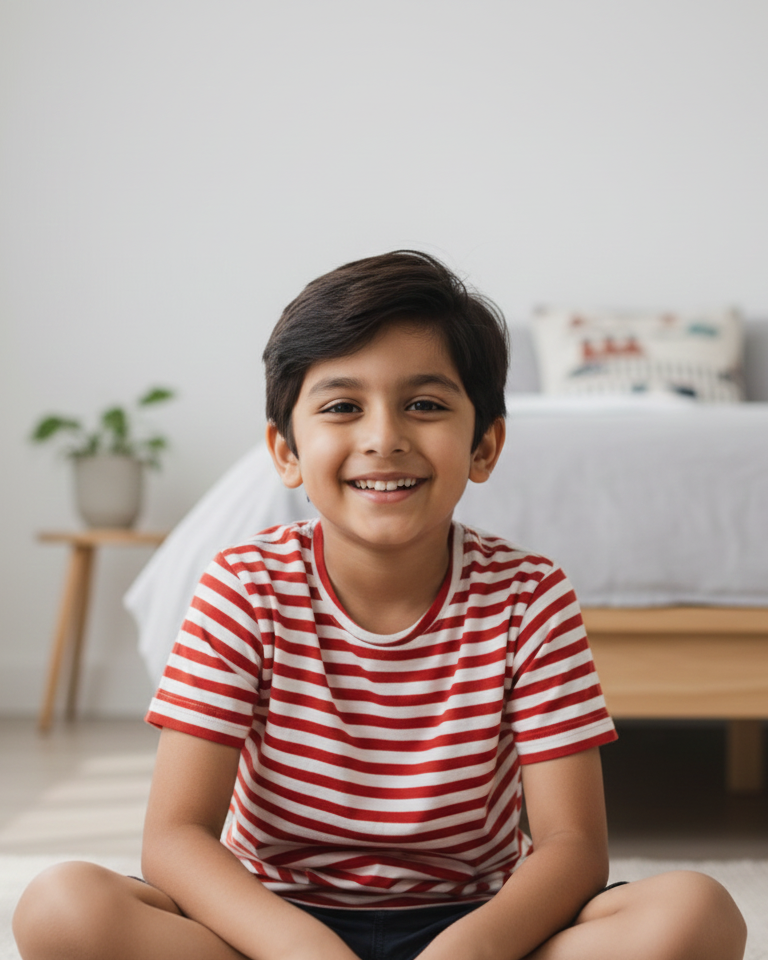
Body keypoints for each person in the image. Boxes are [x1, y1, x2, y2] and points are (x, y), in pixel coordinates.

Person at [13, 251, 747, 960]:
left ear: (485, 446)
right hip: (270, 929)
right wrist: (301, 950)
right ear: (286, 450)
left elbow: (572, 847)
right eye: (342, 406)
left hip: (480, 928)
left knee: (695, 914)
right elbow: (175, 837)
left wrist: (472, 950)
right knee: (61, 907)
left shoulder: (531, 595)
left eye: (424, 404)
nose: (384, 437)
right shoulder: (243, 586)